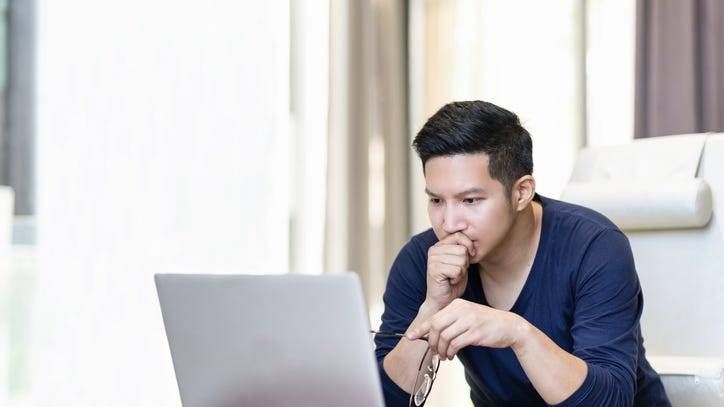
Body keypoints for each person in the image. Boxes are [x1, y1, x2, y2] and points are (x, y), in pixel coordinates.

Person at [374, 101, 670, 406]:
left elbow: (610, 401)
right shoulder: (423, 259)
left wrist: (517, 333)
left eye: (470, 200)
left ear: (521, 192)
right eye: (436, 200)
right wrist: (432, 307)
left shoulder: (595, 247)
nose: (448, 224)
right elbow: (379, 400)